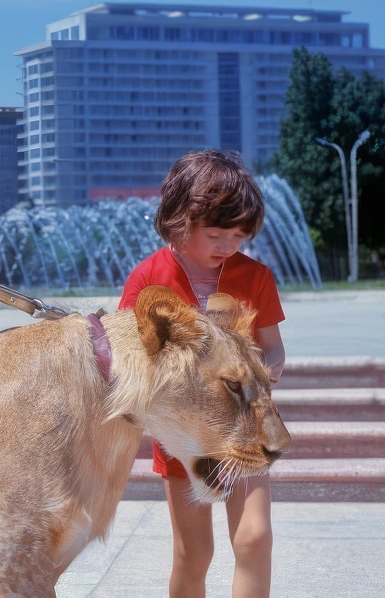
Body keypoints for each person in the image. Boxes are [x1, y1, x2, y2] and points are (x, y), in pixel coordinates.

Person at [119, 149, 286, 598]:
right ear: (179, 220)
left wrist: (256, 377)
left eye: (239, 236)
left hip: (245, 430)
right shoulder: (147, 279)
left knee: (254, 539)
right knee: (194, 554)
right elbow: (132, 360)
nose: (228, 245)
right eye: (216, 234)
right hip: (187, 440)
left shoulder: (255, 277)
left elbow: (272, 348)